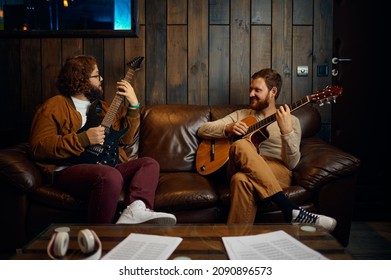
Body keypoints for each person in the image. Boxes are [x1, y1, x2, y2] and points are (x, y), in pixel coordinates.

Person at [29, 55, 176, 225]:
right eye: (97, 75)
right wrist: (83, 139)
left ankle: (136, 209)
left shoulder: (103, 107)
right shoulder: (55, 105)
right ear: (81, 78)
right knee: (110, 176)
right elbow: (38, 147)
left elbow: (126, 139)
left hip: (105, 165)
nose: (102, 79)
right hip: (69, 169)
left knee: (149, 163)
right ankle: (100, 236)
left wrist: (134, 105)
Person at [197, 68, 336, 231]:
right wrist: (228, 128)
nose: (251, 94)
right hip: (239, 164)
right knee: (240, 144)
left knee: (240, 180)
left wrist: (287, 132)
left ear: (273, 92)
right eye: (251, 89)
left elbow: (291, 164)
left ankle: (236, 245)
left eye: (257, 90)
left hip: (277, 171)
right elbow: (203, 129)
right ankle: (290, 209)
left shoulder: (292, 121)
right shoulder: (242, 114)